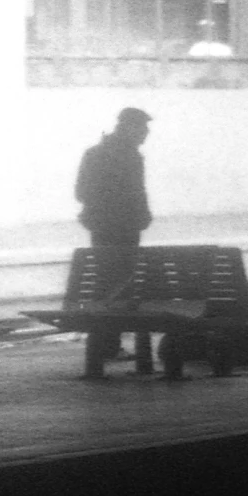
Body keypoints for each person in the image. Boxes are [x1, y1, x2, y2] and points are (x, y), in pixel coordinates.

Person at [75, 107, 152, 362]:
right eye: (142, 129)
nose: (146, 134)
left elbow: (81, 193)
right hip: (126, 230)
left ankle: (102, 344)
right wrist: (141, 217)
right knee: (121, 286)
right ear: (129, 128)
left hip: (100, 228)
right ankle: (110, 344)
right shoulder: (132, 158)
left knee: (103, 283)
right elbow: (137, 194)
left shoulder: (93, 154)